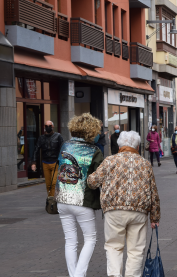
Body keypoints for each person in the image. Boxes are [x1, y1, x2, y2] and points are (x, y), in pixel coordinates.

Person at [87, 131, 160, 277]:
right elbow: (153, 192)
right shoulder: (145, 164)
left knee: (113, 247)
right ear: (137, 146)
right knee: (136, 250)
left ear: (120, 145)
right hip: (139, 211)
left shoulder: (110, 161)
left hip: (114, 210)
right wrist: (155, 217)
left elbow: (92, 182)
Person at [56, 113, 103, 277]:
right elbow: (100, 177)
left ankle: (73, 274)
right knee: (90, 239)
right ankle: (78, 275)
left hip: (63, 199)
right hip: (83, 200)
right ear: (91, 132)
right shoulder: (94, 150)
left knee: (70, 241)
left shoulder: (65, 146)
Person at [32, 120, 64, 197]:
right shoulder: (41, 138)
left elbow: (63, 149)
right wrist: (33, 163)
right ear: (44, 127)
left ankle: (52, 200)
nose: (48, 128)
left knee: (54, 183)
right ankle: (50, 200)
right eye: (46, 126)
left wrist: (62, 161)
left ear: (53, 127)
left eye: (50, 126)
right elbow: (36, 150)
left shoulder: (58, 136)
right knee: (48, 184)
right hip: (45, 163)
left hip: (55, 162)